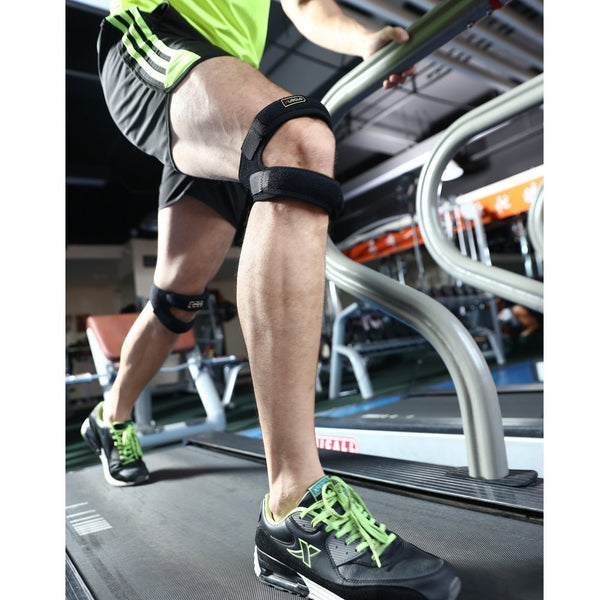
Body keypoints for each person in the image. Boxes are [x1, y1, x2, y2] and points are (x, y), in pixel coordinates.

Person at [80, 1, 461, 598]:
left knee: (177, 299)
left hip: (217, 75)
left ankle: (109, 418)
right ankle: (293, 504)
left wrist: (362, 39)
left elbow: (308, 6)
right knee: (295, 138)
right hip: (158, 34)